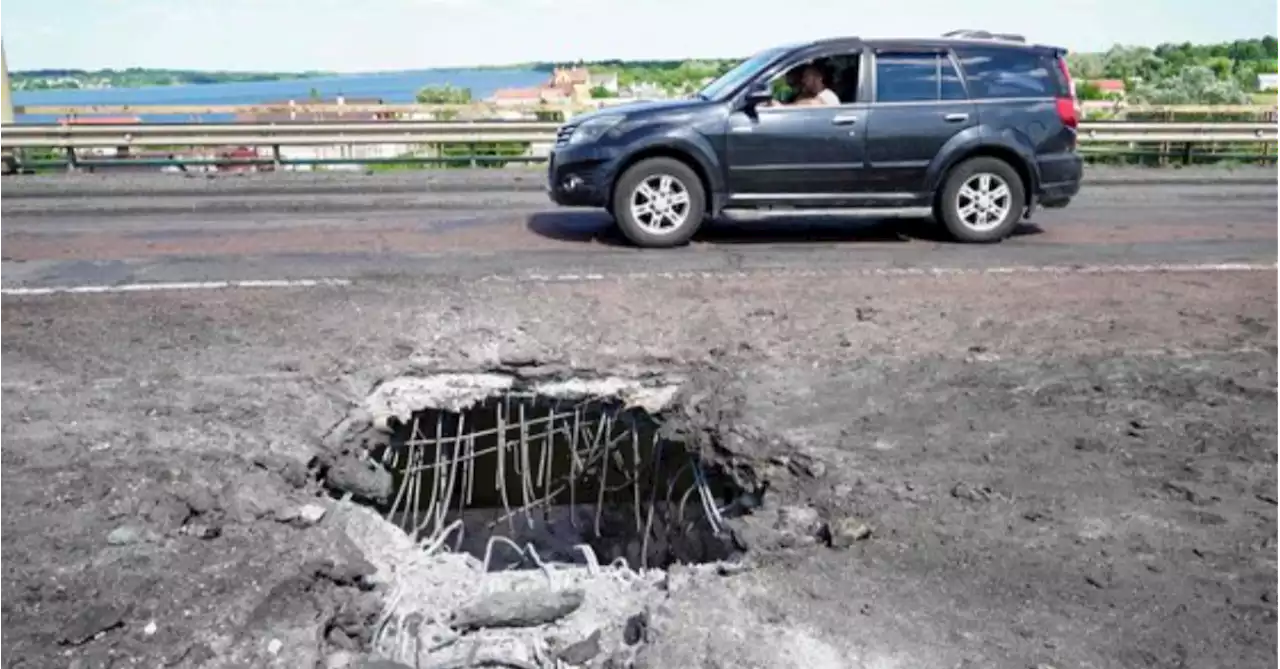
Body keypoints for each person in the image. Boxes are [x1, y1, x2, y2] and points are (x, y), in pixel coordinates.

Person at [771, 63, 840, 107]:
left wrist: (782, 107)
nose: (803, 80)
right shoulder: (808, 94)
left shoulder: (827, 95)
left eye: (806, 77)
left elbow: (812, 103)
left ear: (818, 77)